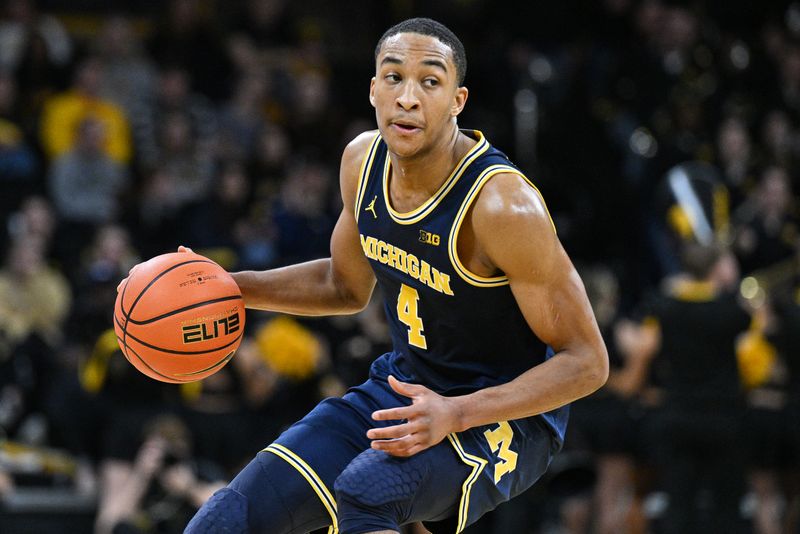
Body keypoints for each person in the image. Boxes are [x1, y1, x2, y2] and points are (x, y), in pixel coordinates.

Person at [143, 17, 608, 534]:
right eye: (393, 78)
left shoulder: (501, 206)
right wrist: (230, 287)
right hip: (404, 387)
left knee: (367, 492)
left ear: (458, 100)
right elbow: (343, 287)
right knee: (227, 519)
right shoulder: (361, 162)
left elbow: (587, 362)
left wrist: (456, 414)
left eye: (430, 82)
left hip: (503, 418)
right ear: (372, 90)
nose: (408, 98)